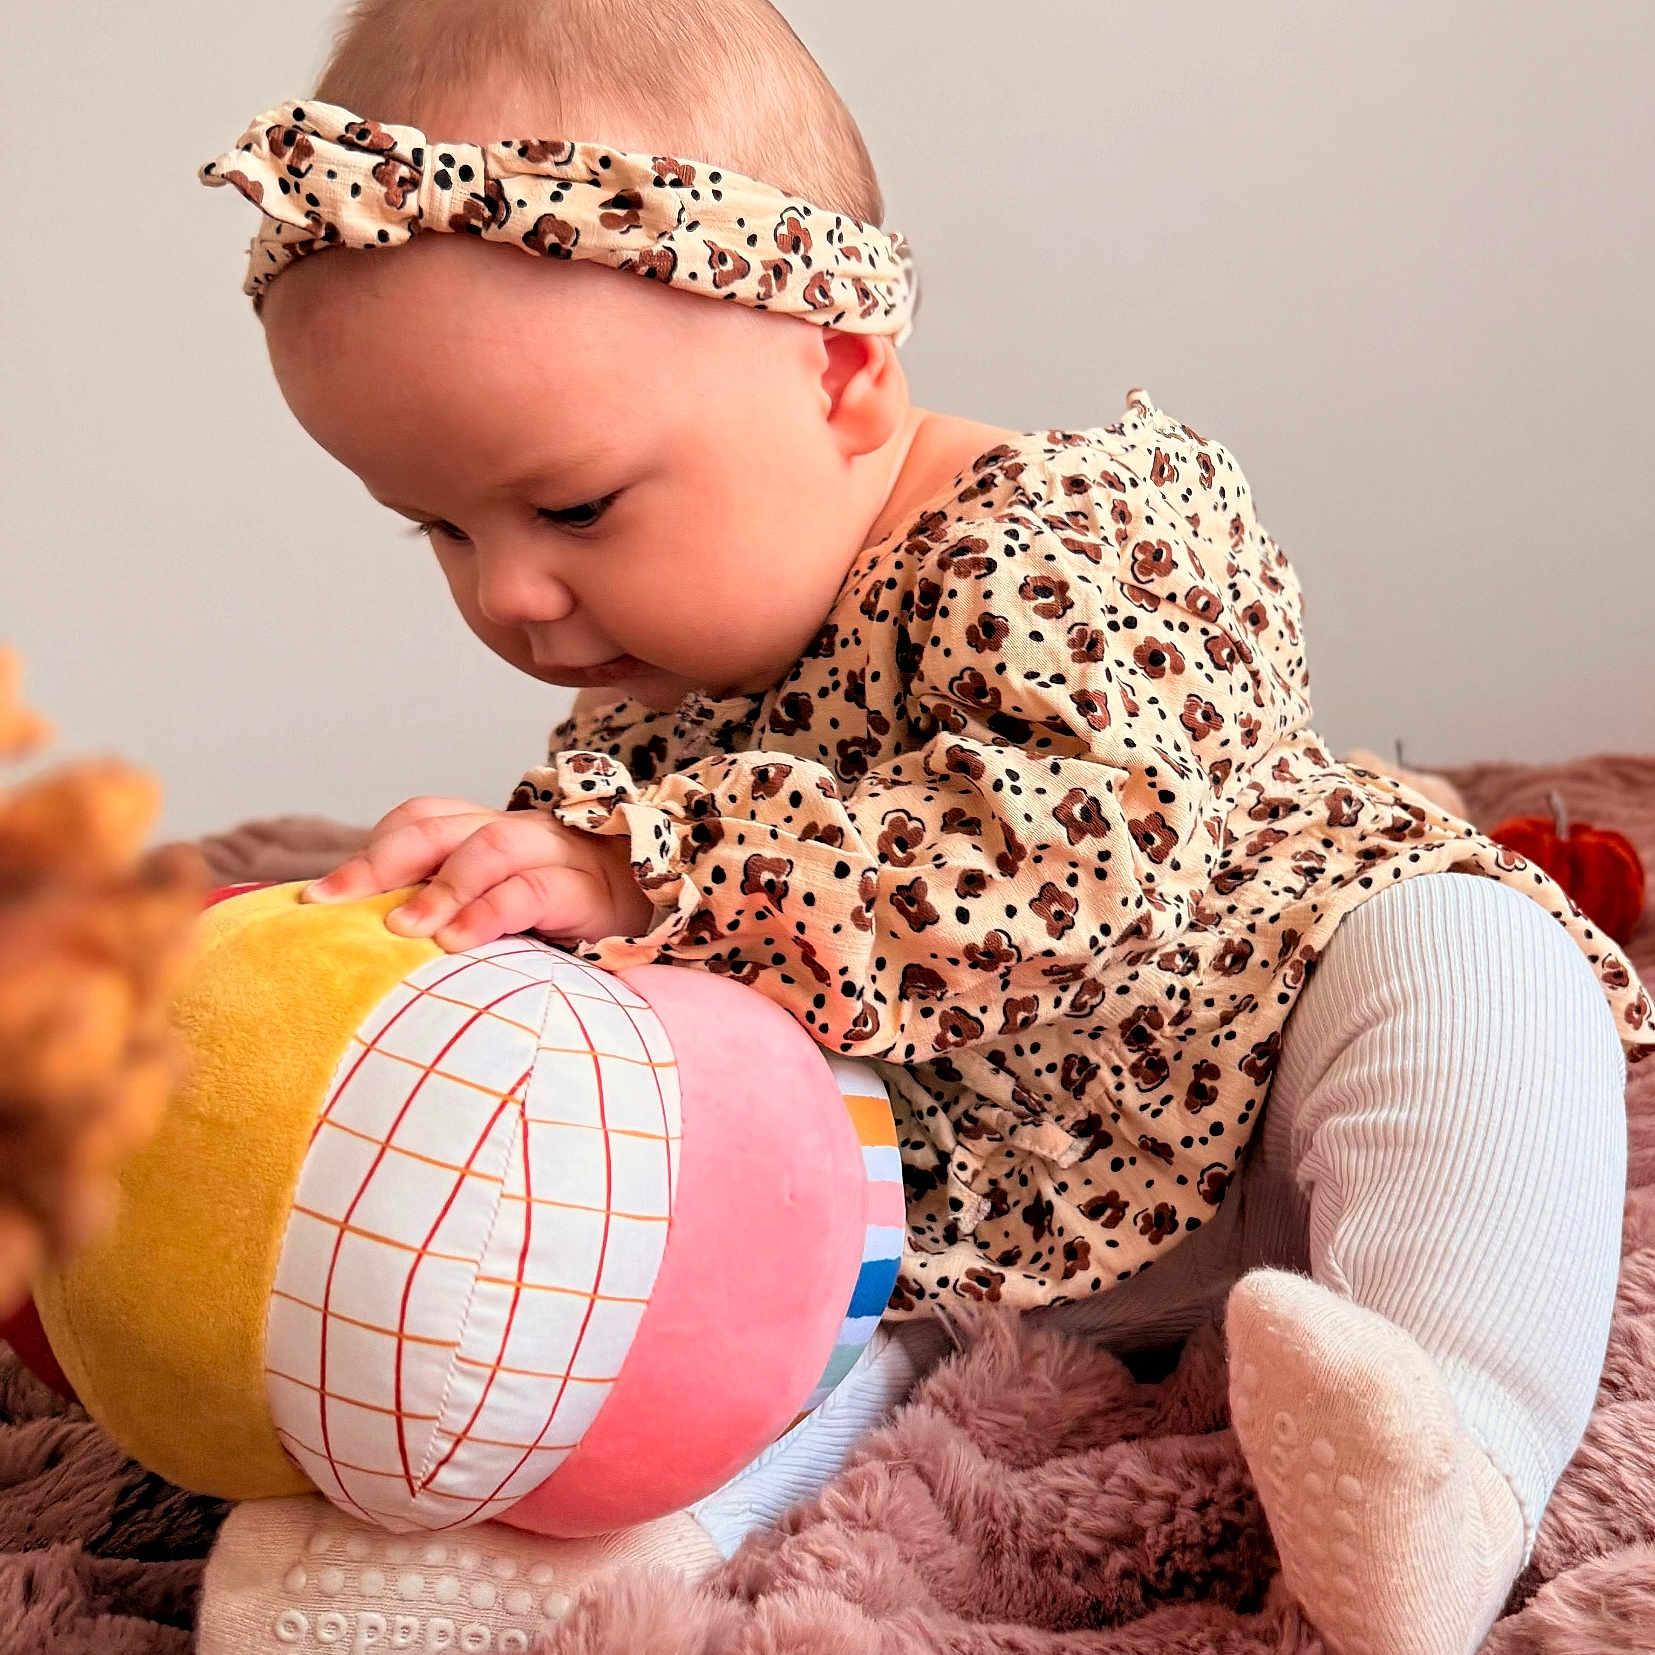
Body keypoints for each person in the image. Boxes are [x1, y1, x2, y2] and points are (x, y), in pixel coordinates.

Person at [192, 3, 1653, 1650]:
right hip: (946, 1227)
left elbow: (1052, 867)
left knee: (1474, 967)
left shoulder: (1072, 534)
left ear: (842, 374)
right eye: (438, 530)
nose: (511, 597)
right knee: (720, 1277)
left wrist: (650, 872)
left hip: (1255, 1088)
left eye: (573, 505)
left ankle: (1447, 1456)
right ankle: (542, 1548)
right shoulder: (650, 705)